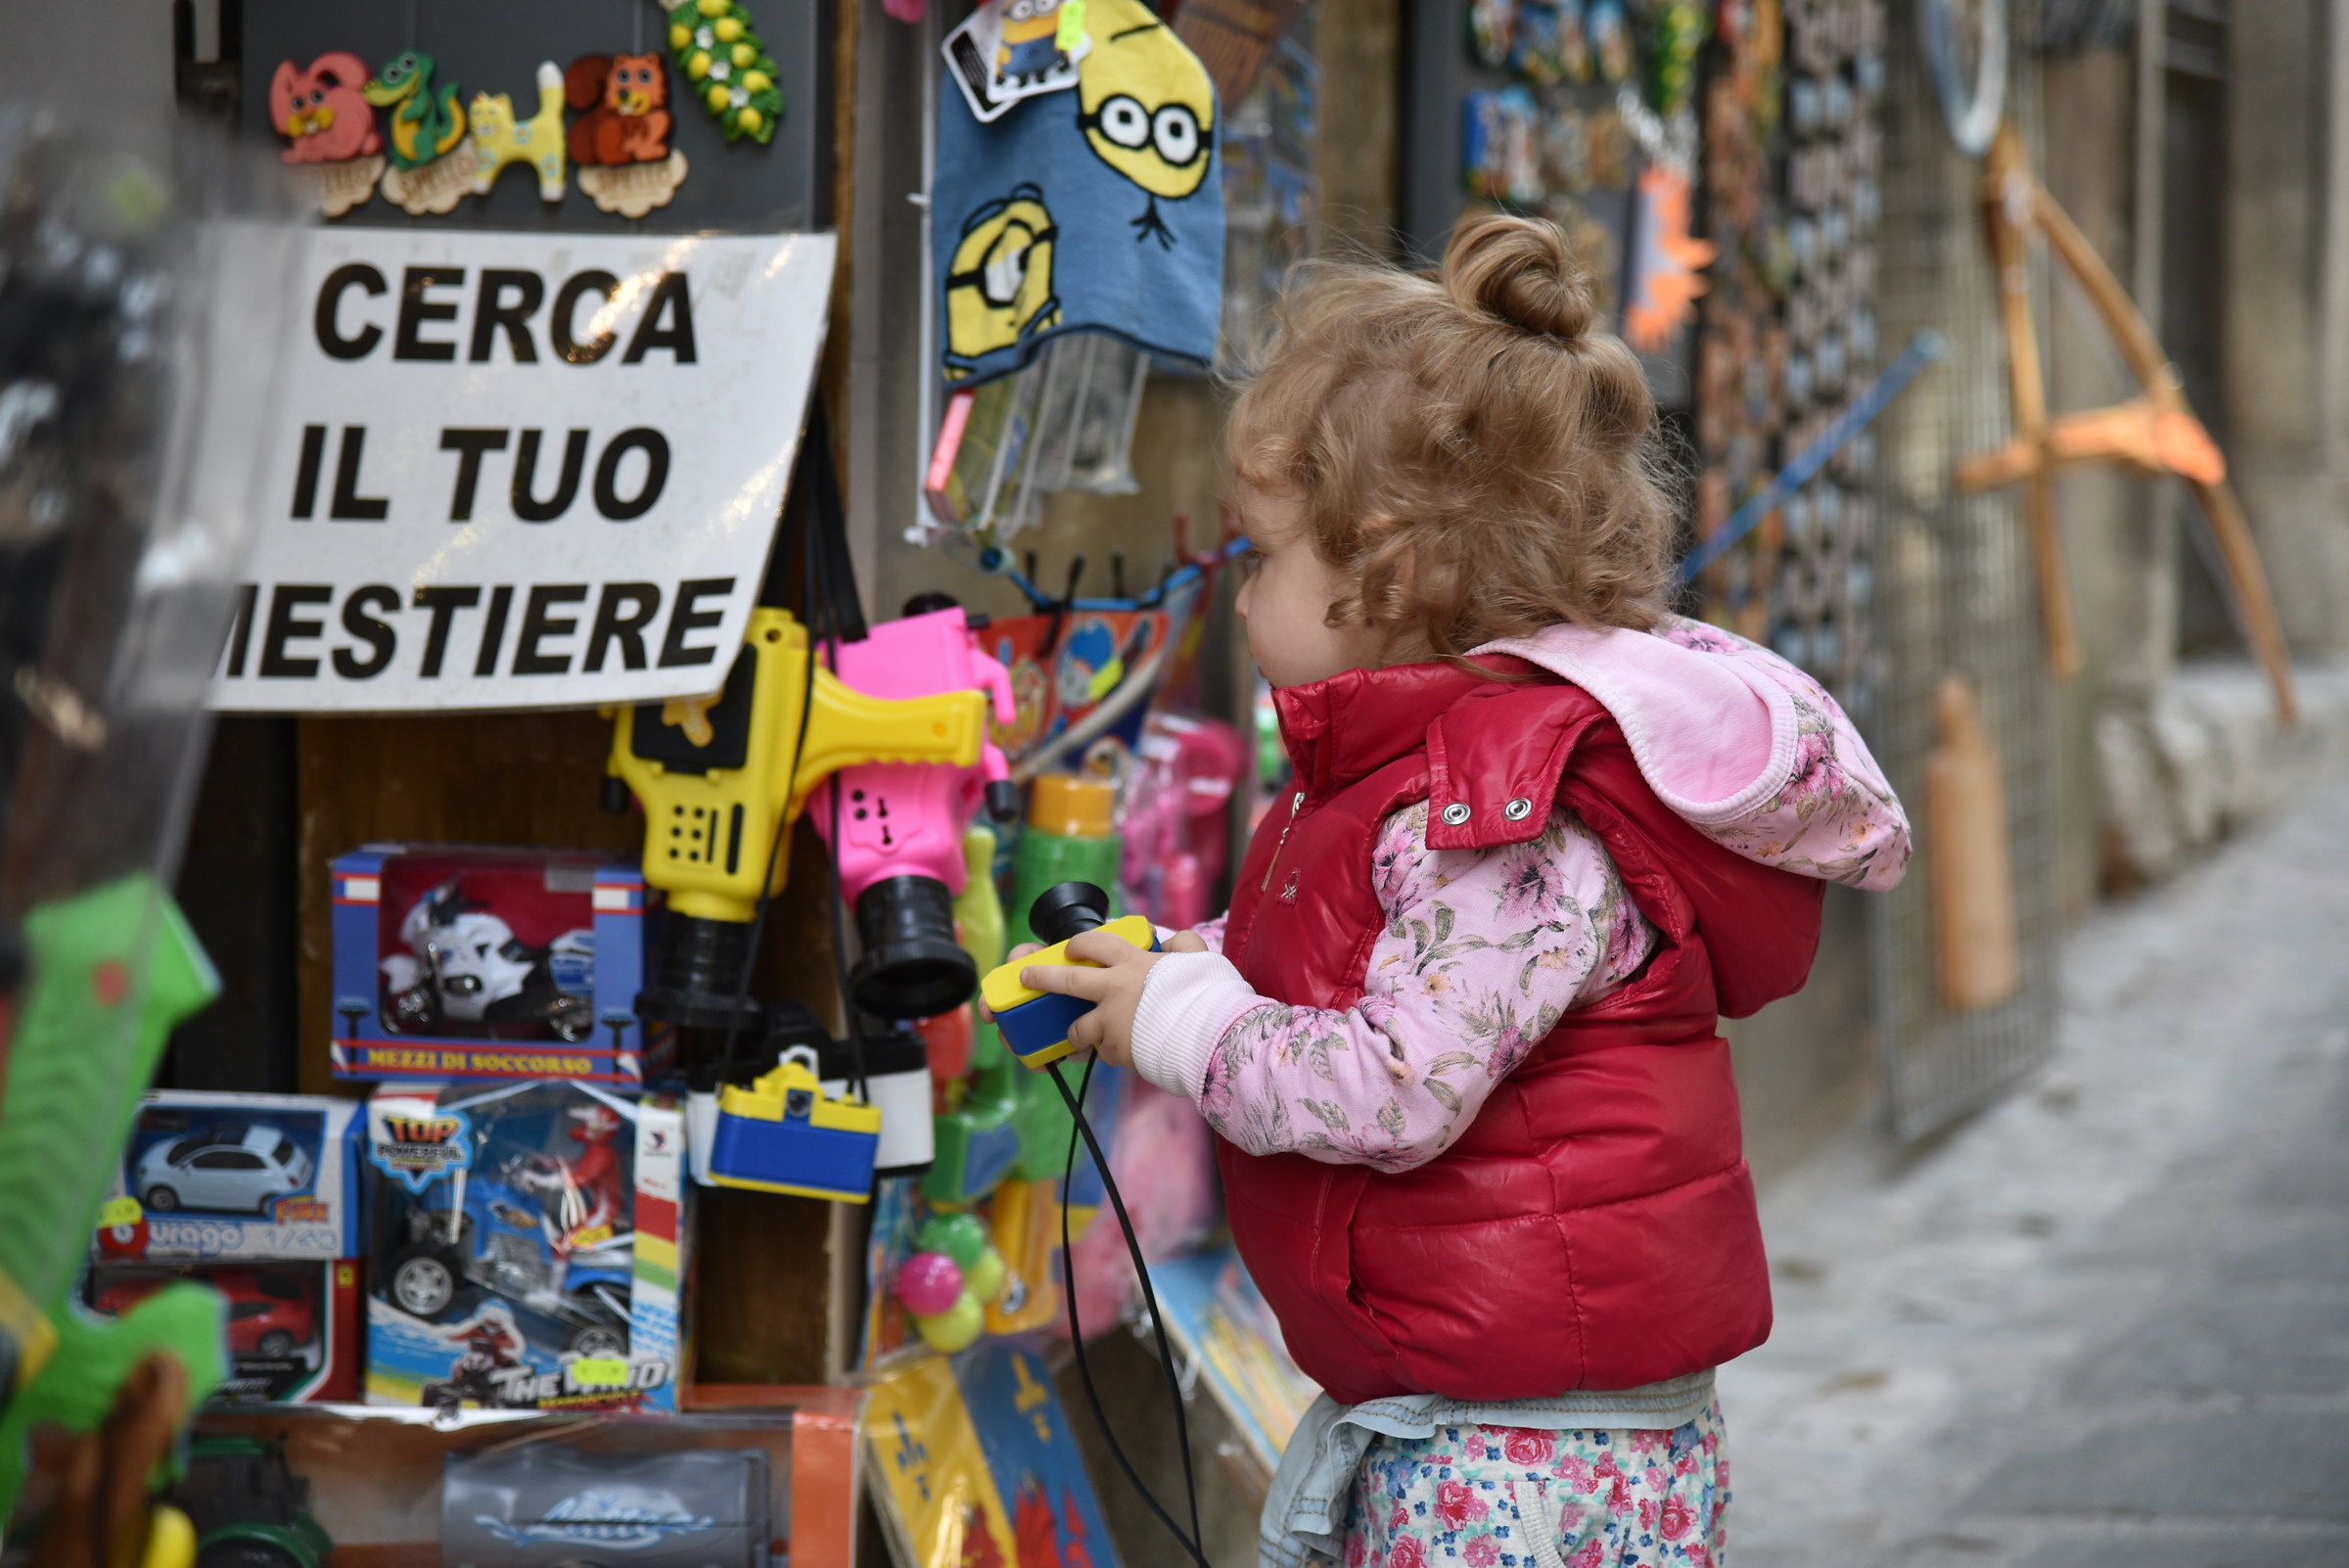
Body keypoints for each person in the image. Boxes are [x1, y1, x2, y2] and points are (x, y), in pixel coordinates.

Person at [1012, 209, 1911, 1567]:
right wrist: (1179, 964)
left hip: (1531, 1462)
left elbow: (1396, 1081)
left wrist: (1184, 1024)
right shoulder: (1401, 783)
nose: (1239, 598)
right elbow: (1374, 968)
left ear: (1397, 569)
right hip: (1474, 1422)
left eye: (1262, 557)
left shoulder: (1496, 822)